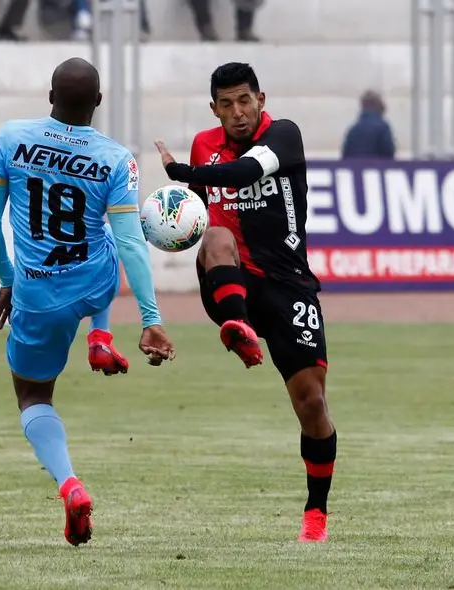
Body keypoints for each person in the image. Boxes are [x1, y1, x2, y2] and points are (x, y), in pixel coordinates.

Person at [0, 57, 176, 546]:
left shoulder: (10, 138)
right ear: (99, 103)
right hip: (95, 283)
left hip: (38, 294)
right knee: (107, 233)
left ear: (50, 97)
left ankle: (69, 485)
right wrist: (151, 318)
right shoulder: (115, 158)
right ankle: (100, 336)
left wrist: (9, 280)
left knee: (32, 396)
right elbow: (132, 243)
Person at [153, 62, 336, 543]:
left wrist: (182, 171)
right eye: (226, 104)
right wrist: (171, 218)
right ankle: (237, 326)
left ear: (261, 99)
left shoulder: (284, 135)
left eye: (245, 101)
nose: (237, 112)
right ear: (214, 108)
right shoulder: (203, 146)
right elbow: (194, 212)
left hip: (289, 283)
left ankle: (316, 514)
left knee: (312, 403)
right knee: (215, 234)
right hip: (230, 278)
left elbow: (246, 171)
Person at [341, 90, 396, 160]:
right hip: (376, 168)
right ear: (378, 105)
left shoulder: (353, 129)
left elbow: (345, 156)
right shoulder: (382, 127)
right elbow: (389, 154)